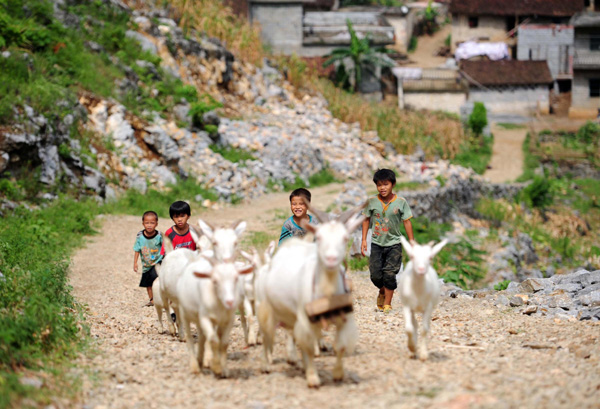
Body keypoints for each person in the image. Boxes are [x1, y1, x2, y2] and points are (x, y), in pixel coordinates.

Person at [361, 169, 414, 313]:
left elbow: (407, 222)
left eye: (386, 184)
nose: (382, 188)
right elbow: (366, 220)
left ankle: (387, 304)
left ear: (393, 184)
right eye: (379, 185)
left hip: (394, 244)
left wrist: (411, 241)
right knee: (375, 275)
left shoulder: (401, 202)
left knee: (390, 273)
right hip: (377, 243)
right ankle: (383, 291)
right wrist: (364, 240)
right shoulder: (371, 202)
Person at [133, 210, 164, 307]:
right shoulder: (140, 236)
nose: (149, 225)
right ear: (143, 223)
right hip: (146, 264)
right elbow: (137, 250)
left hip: (158, 262)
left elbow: (165, 247)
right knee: (148, 284)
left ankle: (162, 299)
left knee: (159, 281)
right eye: (147, 223)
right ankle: (152, 300)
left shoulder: (159, 236)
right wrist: (135, 263)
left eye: (152, 223)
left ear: (156, 224)